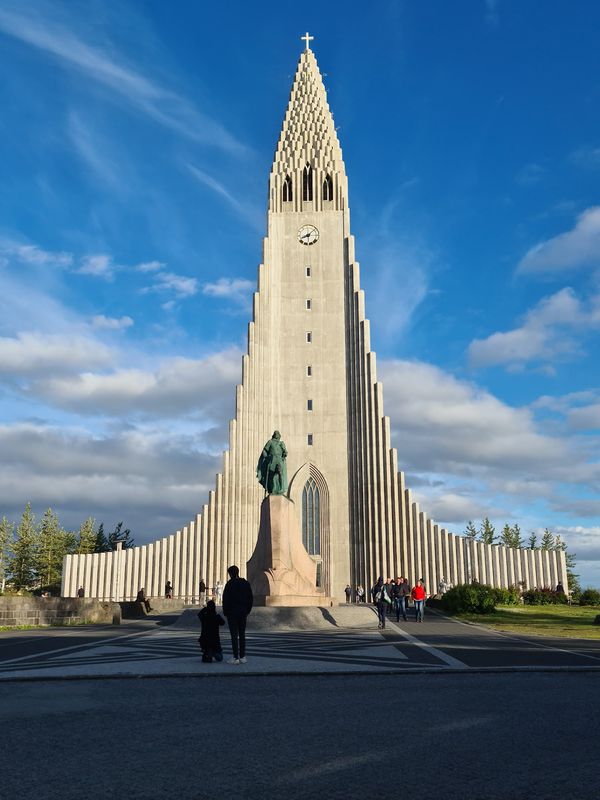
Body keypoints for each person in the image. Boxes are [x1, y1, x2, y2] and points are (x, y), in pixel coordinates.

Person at [222, 565, 253, 664]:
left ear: (230, 574)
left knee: (234, 635)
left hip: (232, 613)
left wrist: (226, 612)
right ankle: (243, 656)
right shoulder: (245, 583)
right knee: (242, 634)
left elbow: (225, 599)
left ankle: (235, 657)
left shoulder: (229, 584)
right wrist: (247, 610)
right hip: (243, 612)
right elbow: (250, 598)